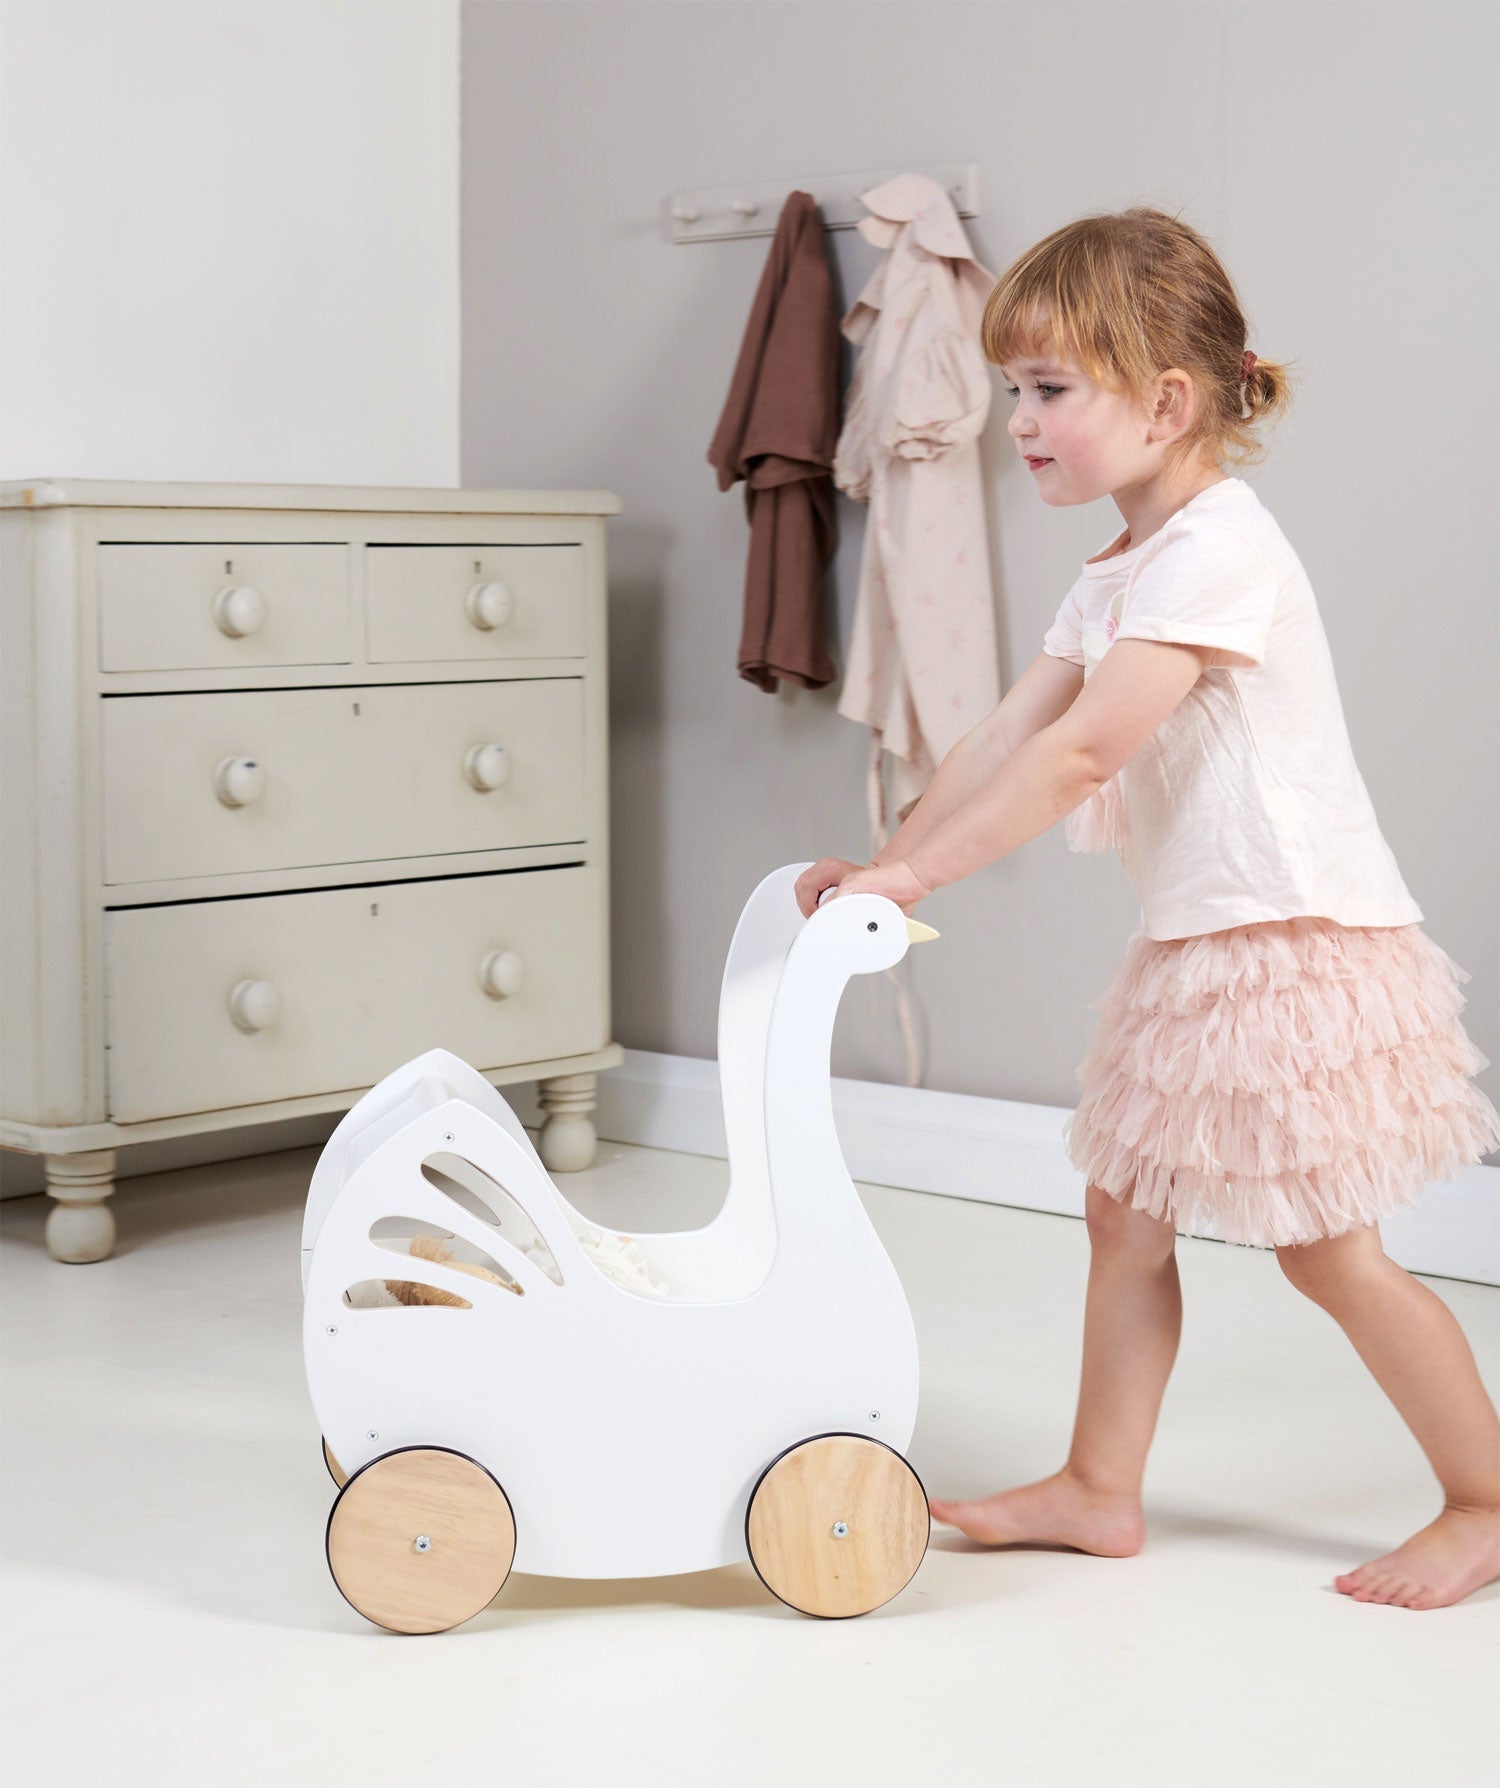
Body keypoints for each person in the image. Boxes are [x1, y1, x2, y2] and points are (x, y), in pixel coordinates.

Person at [794, 206, 1500, 1612]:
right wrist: (886, 852)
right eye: (1013, 392)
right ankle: (1099, 1488)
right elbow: (1013, 726)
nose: (1021, 422)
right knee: (1125, 1218)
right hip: (1202, 940)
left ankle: (1487, 1497)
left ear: (1168, 401)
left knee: (1328, 1253)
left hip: (1288, 943)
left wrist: (917, 883)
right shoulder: (1122, 564)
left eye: (1050, 390)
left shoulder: (1219, 549)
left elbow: (1085, 751)